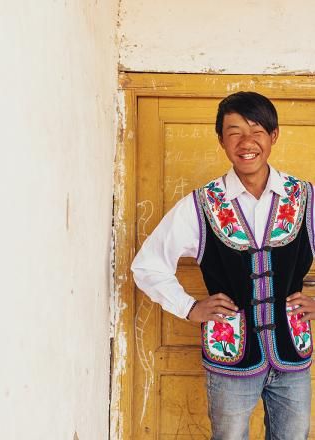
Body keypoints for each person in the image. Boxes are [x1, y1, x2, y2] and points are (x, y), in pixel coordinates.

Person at [131, 91, 315, 440]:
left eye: (257, 130)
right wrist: (190, 308)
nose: (246, 142)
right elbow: (147, 266)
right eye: (234, 131)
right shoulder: (200, 205)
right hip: (230, 355)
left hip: (292, 352)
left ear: (273, 136)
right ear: (221, 140)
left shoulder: (305, 197)